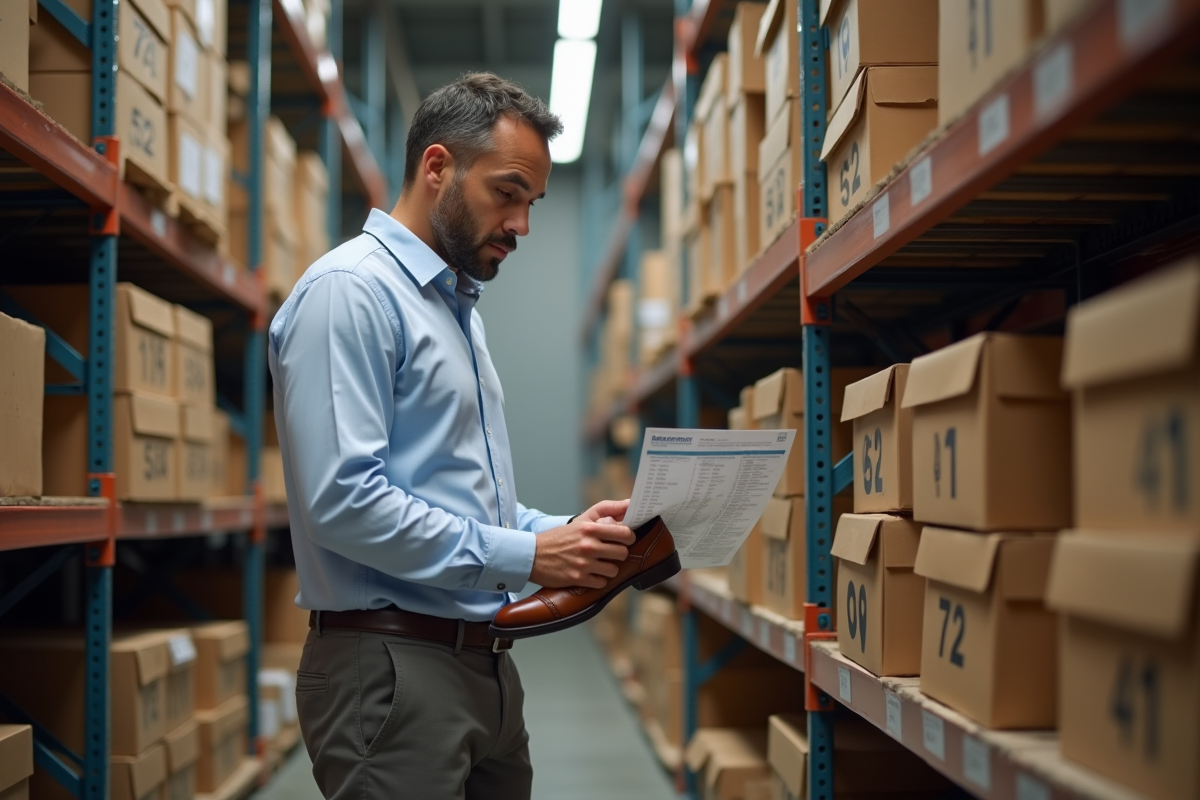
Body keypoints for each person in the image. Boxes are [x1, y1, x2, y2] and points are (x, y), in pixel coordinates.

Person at [268, 73, 637, 800]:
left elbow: (463, 500)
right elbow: (343, 503)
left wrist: (566, 534)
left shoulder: (454, 309)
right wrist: (529, 556)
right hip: (392, 667)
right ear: (437, 166)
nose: (521, 225)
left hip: (484, 662)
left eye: (532, 203)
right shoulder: (351, 292)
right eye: (507, 193)